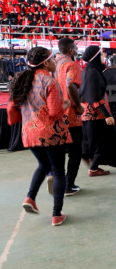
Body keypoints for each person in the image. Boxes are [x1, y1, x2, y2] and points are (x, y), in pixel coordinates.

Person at [7, 47, 70, 226]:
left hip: (29, 132)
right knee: (58, 171)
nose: (55, 62)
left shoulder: (23, 80)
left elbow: (12, 107)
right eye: (52, 59)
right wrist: (65, 104)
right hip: (50, 133)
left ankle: (30, 197)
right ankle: (57, 214)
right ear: (45, 62)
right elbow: (54, 113)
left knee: (43, 164)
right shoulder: (50, 82)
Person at [79, 45, 116, 176]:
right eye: (101, 55)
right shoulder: (93, 72)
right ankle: (94, 169)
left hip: (88, 112)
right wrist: (107, 115)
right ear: (95, 57)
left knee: (96, 141)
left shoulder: (89, 69)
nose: (104, 57)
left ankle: (91, 161)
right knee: (100, 143)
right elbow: (94, 95)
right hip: (95, 113)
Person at [55, 38, 84, 196]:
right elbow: (70, 85)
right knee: (74, 152)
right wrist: (78, 106)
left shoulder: (54, 63)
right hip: (70, 115)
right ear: (71, 50)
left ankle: (55, 179)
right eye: (75, 47)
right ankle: (68, 185)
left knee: (58, 151)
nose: (77, 50)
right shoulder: (71, 64)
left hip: (55, 113)